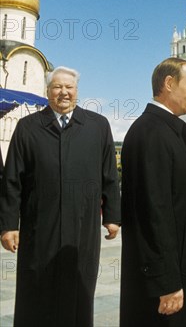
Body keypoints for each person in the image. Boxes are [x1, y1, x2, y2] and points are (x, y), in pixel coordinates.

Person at [0, 66, 121, 327]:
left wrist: (112, 216)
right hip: (40, 228)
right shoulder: (28, 127)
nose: (63, 92)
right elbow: (12, 180)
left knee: (79, 292)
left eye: (69, 87)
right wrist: (9, 225)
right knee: (37, 291)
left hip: (83, 228)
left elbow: (109, 175)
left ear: (77, 91)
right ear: (48, 91)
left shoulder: (97, 126)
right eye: (57, 87)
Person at [120, 57, 186, 327]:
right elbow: (153, 212)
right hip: (166, 285)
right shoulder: (152, 132)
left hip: (178, 270)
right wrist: (166, 282)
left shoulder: (166, 129)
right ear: (169, 84)